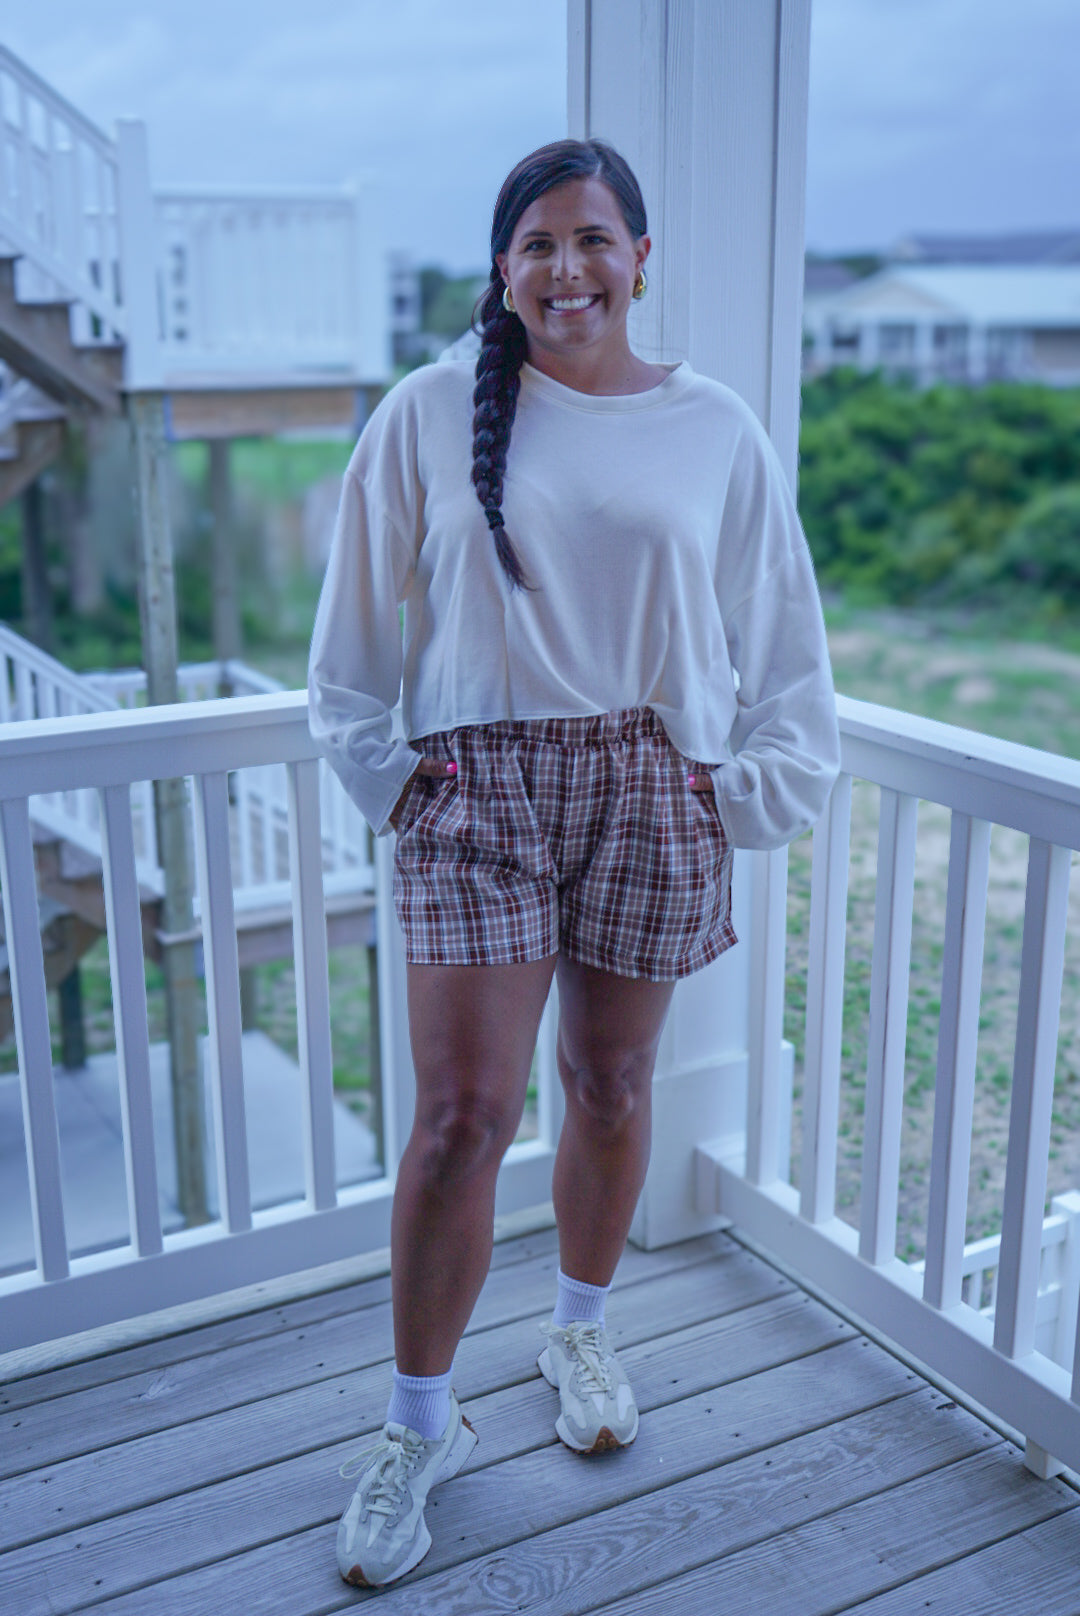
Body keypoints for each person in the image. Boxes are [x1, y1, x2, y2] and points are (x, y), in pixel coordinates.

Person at [308, 137, 839, 1588]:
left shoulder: (717, 426)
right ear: (504, 269)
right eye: (538, 244)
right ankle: (421, 1426)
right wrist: (398, 780)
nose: (568, 269)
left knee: (608, 1086)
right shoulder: (425, 414)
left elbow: (784, 642)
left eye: (595, 240)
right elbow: (348, 657)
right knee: (461, 1121)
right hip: (476, 788)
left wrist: (741, 792)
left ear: (642, 259)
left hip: (648, 778)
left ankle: (581, 1337)